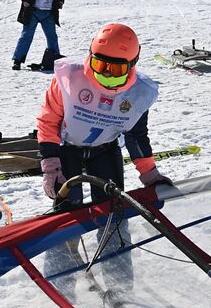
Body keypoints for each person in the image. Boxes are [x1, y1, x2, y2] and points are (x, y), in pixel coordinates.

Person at [35, 22, 169, 212]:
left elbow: (136, 135)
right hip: (67, 150)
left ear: (132, 65)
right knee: (68, 210)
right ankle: (70, 242)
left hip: (104, 150)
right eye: (100, 64)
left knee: (112, 208)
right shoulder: (69, 78)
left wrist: (150, 175)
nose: (106, 73)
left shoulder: (139, 93)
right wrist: (51, 167)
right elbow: (48, 121)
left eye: (115, 70)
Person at [13, 0, 64, 71]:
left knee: (52, 37)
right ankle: (17, 61)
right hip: (33, 12)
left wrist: (60, 1)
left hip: (48, 13)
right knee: (26, 36)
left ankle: (54, 60)